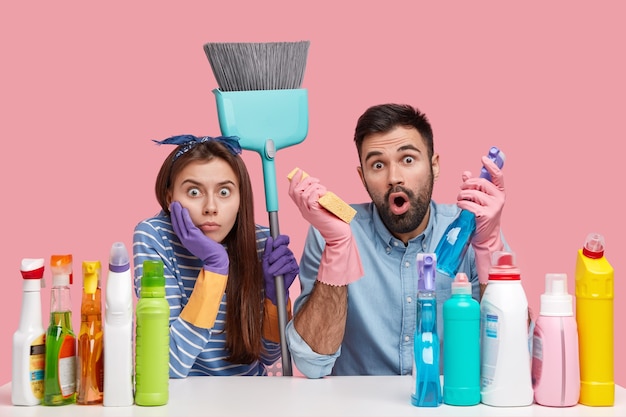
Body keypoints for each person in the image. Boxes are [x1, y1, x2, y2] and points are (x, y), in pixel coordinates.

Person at [286, 103, 507, 378]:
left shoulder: (475, 232)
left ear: (434, 166)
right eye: (378, 165)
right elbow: (311, 363)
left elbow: (510, 356)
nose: (394, 178)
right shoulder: (330, 232)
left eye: (408, 160)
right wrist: (338, 247)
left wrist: (490, 249)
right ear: (362, 177)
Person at [133, 134, 299, 377]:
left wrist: (276, 300)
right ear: (170, 198)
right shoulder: (154, 237)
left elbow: (268, 356)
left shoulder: (261, 242)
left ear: (241, 198)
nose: (210, 207)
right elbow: (163, 368)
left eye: (224, 192)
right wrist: (215, 266)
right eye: (193, 192)